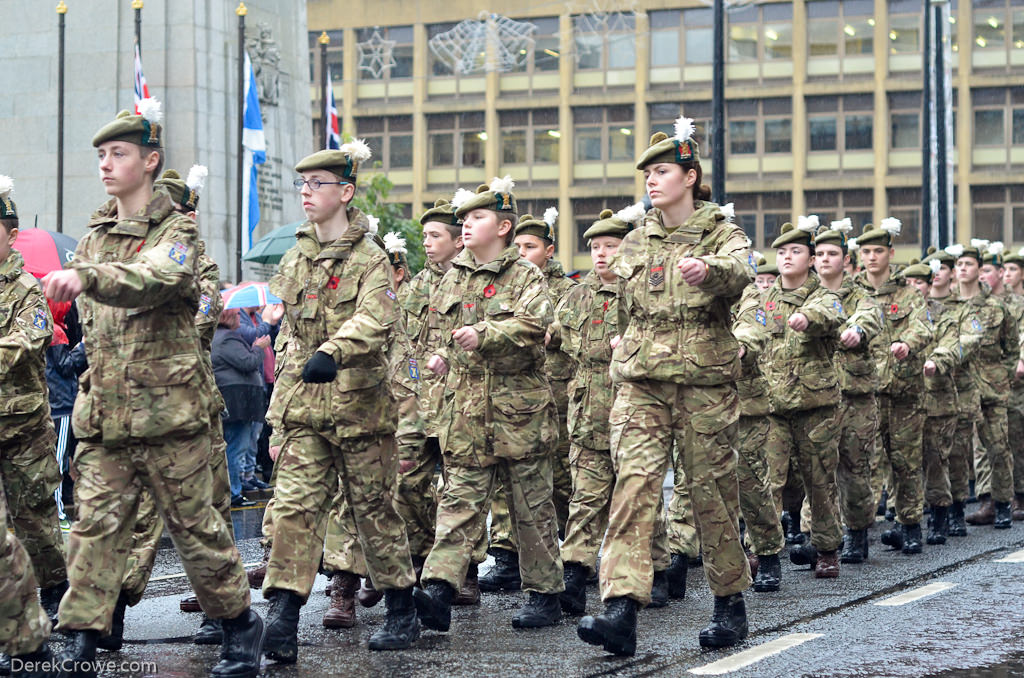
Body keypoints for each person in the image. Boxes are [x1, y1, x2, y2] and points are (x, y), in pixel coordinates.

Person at [40, 100, 263, 678]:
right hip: (106, 414)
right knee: (94, 528)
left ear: (150, 159)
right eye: (101, 156)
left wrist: (85, 277)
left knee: (197, 529)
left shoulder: (178, 232)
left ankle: (240, 626)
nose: (107, 165)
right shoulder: (95, 234)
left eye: (119, 154)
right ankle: (83, 635)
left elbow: (153, 278)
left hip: (169, 415)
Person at [577, 117, 753, 656]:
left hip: (703, 382)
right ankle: (621, 609)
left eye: (662, 171)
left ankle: (729, 601)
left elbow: (741, 269)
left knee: (710, 492)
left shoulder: (723, 232)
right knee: (634, 487)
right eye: (648, 173)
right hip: (641, 383)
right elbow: (627, 307)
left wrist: (710, 272)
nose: (652, 181)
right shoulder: (636, 241)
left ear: (690, 177)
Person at [261, 142, 420, 660]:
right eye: (302, 185)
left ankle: (401, 607)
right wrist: (277, 413)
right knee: (294, 508)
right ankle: (282, 617)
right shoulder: (296, 254)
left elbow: (377, 319)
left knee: (373, 511)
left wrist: (333, 350)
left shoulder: (373, 258)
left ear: (346, 193)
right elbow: (289, 334)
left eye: (318, 185)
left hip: (360, 409)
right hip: (305, 408)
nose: (306, 193)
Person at [415, 176, 564, 633]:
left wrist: (484, 335)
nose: (465, 226)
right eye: (462, 219)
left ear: (502, 226)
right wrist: (440, 354)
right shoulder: (452, 277)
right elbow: (437, 333)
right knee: (459, 502)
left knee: (531, 507)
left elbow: (532, 326)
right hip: (465, 413)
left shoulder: (525, 275)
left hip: (518, 410)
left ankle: (545, 594)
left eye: (476, 217)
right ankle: (438, 588)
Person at [482, 208, 578, 593]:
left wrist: (551, 331)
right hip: (515, 400)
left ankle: (572, 556)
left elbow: (568, 332)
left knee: (561, 484)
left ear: (548, 250)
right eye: (517, 245)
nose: (522, 251)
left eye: (530, 246)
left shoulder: (567, 290)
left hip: (561, 396)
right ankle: (507, 556)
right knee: (512, 485)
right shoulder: (507, 282)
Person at [557, 204, 643, 613]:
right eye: (596, 247)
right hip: (587, 408)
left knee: (637, 500)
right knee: (585, 499)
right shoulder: (575, 297)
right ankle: (573, 575)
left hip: (633, 407)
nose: (602, 254)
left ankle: (657, 568)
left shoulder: (639, 293)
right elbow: (555, 339)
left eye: (612, 245)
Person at [754, 218, 846, 578]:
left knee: (820, 482)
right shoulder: (761, 299)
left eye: (796, 251)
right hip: (772, 407)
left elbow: (831, 314)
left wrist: (808, 317)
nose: (787, 257)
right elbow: (745, 324)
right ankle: (765, 553)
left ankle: (826, 549)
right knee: (767, 484)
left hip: (816, 407)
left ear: (810, 260)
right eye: (782, 251)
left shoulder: (824, 296)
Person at [0, 176, 69, 629]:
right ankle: (17, 614)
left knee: (36, 521)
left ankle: (57, 586)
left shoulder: (26, 287)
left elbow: (32, 337)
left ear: (10, 234)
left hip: (22, 428)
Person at [394, 197, 465, 586]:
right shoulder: (418, 285)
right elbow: (401, 340)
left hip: (459, 398)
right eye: (424, 235)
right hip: (417, 400)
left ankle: (465, 569)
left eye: (436, 235)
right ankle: (420, 553)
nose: (427, 242)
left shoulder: (473, 281)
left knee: (460, 486)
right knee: (407, 481)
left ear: (457, 241)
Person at [853, 218, 933, 555]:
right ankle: (857, 534)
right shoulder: (852, 291)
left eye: (878, 251)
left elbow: (924, 327)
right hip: (864, 392)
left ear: (891, 253)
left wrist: (907, 343)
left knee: (905, 462)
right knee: (861, 464)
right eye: (866, 251)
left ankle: (910, 524)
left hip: (903, 392)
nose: (872, 257)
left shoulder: (909, 294)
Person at [812, 219, 883, 564]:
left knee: (854, 469)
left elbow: (870, 316)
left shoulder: (859, 295)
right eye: (820, 253)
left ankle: (856, 531)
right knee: (819, 470)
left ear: (845, 259)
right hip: (817, 397)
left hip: (855, 397)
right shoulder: (805, 295)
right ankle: (821, 539)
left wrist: (856, 329)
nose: (825, 259)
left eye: (832, 253)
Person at [903, 259, 969, 545]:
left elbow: (953, 346)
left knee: (935, 460)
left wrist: (935, 362)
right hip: (904, 400)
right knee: (904, 463)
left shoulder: (944, 315)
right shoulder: (900, 316)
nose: (915, 288)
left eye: (920, 283)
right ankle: (907, 521)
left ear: (930, 287)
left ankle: (941, 515)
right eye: (910, 283)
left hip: (937, 399)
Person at [953, 242, 1018, 529]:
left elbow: (1011, 346)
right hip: (958, 389)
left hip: (991, 387)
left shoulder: (996, 307)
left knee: (997, 446)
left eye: (969, 264)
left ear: (980, 269)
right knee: (959, 449)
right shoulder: (947, 306)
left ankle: (1003, 503)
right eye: (959, 264)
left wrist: (1002, 374)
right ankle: (980, 501)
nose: (963, 269)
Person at [212, 307, 269, 506]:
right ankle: (234, 493)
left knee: (234, 447)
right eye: (237, 315)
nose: (240, 318)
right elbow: (248, 362)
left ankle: (231, 490)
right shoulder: (227, 338)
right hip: (238, 403)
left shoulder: (222, 337)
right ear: (227, 316)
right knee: (237, 448)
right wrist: (259, 347)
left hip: (235, 401)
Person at [1000, 246, 1024, 520]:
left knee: (1017, 438)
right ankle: (1008, 495)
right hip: (1002, 377)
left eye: (1013, 269)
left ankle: (1020, 494)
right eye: (1005, 270)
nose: (1007, 274)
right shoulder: (1000, 303)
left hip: (1018, 378)